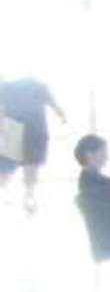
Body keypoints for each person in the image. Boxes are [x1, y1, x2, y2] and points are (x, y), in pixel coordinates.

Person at [0, 72, 66, 214]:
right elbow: (55, 105)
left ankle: (20, 195)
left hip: (14, 127)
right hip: (34, 127)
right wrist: (61, 115)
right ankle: (29, 196)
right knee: (30, 166)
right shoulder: (38, 84)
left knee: (6, 167)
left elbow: (2, 109)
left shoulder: (6, 86)